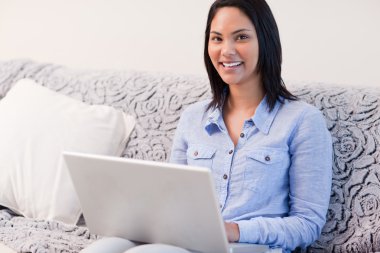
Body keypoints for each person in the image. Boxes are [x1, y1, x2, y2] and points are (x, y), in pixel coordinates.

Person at [169, 0, 332, 252]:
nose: (227, 50)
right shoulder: (193, 118)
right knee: (112, 244)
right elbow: (173, 201)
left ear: (265, 41)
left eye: (241, 37)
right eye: (217, 38)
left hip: (249, 247)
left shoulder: (303, 121)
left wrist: (234, 231)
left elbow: (307, 224)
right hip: (189, 243)